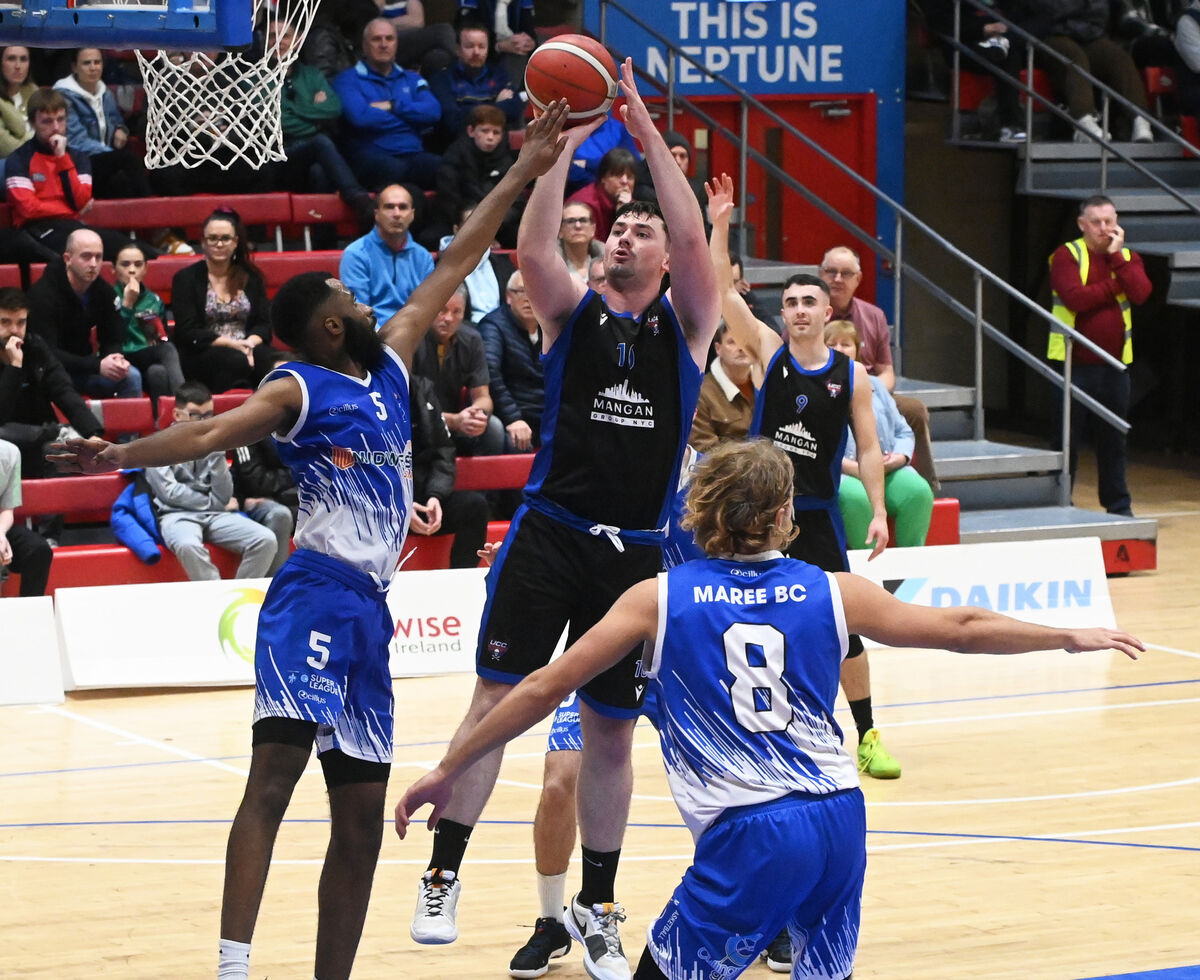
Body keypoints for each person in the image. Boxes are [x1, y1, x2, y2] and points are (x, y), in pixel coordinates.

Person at [46, 101, 570, 980]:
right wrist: (122, 449)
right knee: (274, 781)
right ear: (329, 325)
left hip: (370, 611)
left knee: (362, 819)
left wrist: (523, 168)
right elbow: (215, 434)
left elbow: (459, 258)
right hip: (313, 593)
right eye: (347, 297)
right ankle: (233, 968)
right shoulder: (297, 384)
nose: (364, 301)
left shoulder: (396, 355)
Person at [394, 438, 1143, 980]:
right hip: (840, 820)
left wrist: (447, 767)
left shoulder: (657, 598)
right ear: (786, 513)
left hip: (750, 831)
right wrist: (1067, 635)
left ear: (702, 513)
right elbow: (963, 629)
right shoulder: (832, 589)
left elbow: (538, 688)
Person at [401, 59, 720, 980]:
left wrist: (643, 129)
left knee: (612, 735)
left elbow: (695, 234)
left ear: (665, 258)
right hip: (549, 533)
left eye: (641, 229)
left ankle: (601, 906)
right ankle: (444, 871)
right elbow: (537, 249)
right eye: (617, 227)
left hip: (637, 558)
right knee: (495, 700)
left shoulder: (687, 326)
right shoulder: (570, 315)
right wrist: (563, 142)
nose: (625, 235)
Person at [709, 177, 901, 804]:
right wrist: (720, 224)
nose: (795, 310)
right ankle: (740, 729)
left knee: (843, 629)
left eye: (806, 302)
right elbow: (719, 289)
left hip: (815, 515)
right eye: (788, 301)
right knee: (741, 622)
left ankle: (866, 734)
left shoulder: (853, 377)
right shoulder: (767, 352)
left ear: (828, 313)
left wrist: (876, 509)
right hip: (759, 514)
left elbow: (869, 448)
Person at [1047, 194, 1151, 517]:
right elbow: (1076, 299)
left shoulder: (1127, 257)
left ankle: (1119, 507)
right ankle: (1059, 503)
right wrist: (1116, 285)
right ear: (1082, 225)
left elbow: (1142, 293)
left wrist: (1118, 262)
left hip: (1115, 368)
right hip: (1071, 366)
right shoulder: (1067, 255)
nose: (1104, 229)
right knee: (1065, 442)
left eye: (1110, 222)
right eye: (1096, 222)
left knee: (1114, 442)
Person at [819, 245, 939, 490]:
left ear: (858, 279)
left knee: (915, 410)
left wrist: (869, 392)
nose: (837, 279)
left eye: (846, 273)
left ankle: (923, 484)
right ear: (821, 275)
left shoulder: (874, 315)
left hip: (871, 388)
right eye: (831, 272)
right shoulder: (808, 314)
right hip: (823, 389)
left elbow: (886, 370)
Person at [145, 381, 282, 581]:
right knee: (187, 545)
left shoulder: (213, 443)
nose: (203, 421)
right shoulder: (155, 446)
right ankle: (216, 598)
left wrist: (218, 455)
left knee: (266, 539)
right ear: (176, 415)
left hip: (216, 515)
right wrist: (213, 503)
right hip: (177, 515)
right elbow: (171, 493)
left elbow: (225, 494)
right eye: (195, 415)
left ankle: (235, 596)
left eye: (208, 415)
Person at [827, 320, 934, 550]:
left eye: (845, 344)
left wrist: (901, 457)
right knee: (857, 499)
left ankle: (912, 566)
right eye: (832, 344)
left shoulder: (875, 385)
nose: (839, 349)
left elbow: (903, 430)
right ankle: (869, 568)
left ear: (856, 349)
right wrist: (854, 468)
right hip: (844, 473)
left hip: (887, 468)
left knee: (919, 492)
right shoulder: (817, 388)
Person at [4, 88, 140, 261]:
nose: (55, 128)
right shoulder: (19, 159)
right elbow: (28, 210)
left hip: (73, 227)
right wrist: (70, 211)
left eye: (60, 120)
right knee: (81, 254)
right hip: (38, 231)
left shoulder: (78, 158)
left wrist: (62, 158)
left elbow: (80, 200)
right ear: (32, 124)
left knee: (133, 251)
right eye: (46, 121)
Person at [269, 17, 374, 228]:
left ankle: (323, 241)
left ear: (298, 41)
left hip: (311, 159)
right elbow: (278, 123)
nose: (279, 41)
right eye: (273, 36)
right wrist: (316, 119)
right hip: (277, 159)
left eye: (286, 36)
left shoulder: (312, 74)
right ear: (265, 42)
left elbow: (334, 109)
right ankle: (359, 199)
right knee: (321, 142)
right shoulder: (257, 79)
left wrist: (292, 109)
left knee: (320, 172)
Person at [1012, 0, 1155, 141]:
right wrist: (1082, 6)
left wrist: (1078, 9)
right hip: (1048, 35)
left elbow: (1100, 11)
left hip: (1087, 33)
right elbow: (1048, 11)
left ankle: (1140, 119)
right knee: (1074, 56)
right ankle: (1083, 120)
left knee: (1118, 57)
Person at [0, 286, 103, 480]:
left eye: (21, 322)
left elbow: (63, 390)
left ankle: (50, 511)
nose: (14, 330)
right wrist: (14, 366)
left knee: (58, 452)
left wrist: (92, 433)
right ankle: (54, 432)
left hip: (38, 438)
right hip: (4, 441)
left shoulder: (35, 347)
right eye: (5, 322)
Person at [27, 229, 142, 400]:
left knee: (131, 376)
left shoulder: (103, 291)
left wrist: (115, 359)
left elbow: (112, 338)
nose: (94, 264)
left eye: (99, 257)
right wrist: (97, 365)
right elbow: (47, 352)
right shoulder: (42, 295)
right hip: (49, 372)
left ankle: (130, 427)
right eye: (86, 257)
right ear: (67, 259)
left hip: (85, 369)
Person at [332, 18, 443, 192]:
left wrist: (393, 106)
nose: (384, 44)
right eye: (376, 39)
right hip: (371, 157)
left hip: (413, 154)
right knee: (396, 172)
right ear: (365, 45)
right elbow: (360, 117)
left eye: (389, 39)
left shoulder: (412, 78)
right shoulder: (347, 80)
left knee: (446, 169)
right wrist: (412, 119)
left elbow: (434, 112)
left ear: (396, 44)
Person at [171, 209, 272, 393]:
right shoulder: (185, 278)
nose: (219, 244)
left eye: (225, 238)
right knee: (234, 361)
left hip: (247, 345)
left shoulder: (251, 277)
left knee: (276, 361)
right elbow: (188, 330)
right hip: (204, 351)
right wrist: (233, 345)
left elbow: (264, 325)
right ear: (203, 242)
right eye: (212, 238)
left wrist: (248, 344)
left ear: (235, 243)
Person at [411, 283, 504, 455]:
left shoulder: (472, 339)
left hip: (456, 421)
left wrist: (476, 414)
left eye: (456, 312)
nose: (448, 318)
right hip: (418, 422)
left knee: (493, 428)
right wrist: (454, 420)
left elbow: (483, 396)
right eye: (442, 310)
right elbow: (406, 407)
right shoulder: (412, 340)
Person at [52, 47, 155, 201]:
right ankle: (152, 211)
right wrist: (111, 154)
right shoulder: (63, 96)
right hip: (77, 160)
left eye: (97, 62)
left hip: (103, 163)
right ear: (74, 67)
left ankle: (139, 223)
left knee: (121, 183)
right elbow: (76, 140)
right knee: (129, 160)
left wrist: (121, 129)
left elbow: (117, 121)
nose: (93, 68)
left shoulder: (105, 93)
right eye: (87, 63)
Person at [409, 373, 490, 568]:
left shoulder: (422, 387)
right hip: (384, 505)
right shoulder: (367, 389)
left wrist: (435, 496)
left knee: (474, 507)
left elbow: (443, 450)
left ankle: (462, 584)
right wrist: (400, 506)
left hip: (426, 498)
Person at [339, 183, 436, 325]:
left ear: (412, 214)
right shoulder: (356, 254)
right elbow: (357, 313)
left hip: (416, 334)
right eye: (389, 207)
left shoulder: (423, 257)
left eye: (403, 207)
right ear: (377, 214)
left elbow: (429, 307)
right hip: (374, 337)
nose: (396, 214)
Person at [433, 104, 522, 248]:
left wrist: (491, 227)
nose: (490, 137)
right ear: (471, 131)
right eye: (485, 131)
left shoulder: (508, 161)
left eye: (496, 132)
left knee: (522, 237)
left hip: (498, 225)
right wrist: (470, 225)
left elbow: (516, 202)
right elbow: (448, 198)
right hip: (459, 221)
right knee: (432, 237)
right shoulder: (454, 157)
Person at [477, 270, 545, 452]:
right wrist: (514, 418)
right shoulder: (493, 326)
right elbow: (490, 371)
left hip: (547, 416)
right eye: (522, 291)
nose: (529, 297)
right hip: (513, 416)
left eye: (535, 290)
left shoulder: (552, 326)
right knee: (515, 441)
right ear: (508, 297)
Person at [429, 21, 525, 149]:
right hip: (458, 148)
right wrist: (497, 105)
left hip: (496, 147)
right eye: (469, 46)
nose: (476, 52)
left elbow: (514, 109)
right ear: (457, 49)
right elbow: (453, 122)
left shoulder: (498, 74)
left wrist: (468, 111)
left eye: (482, 47)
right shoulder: (442, 78)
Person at [112, 244, 184, 410]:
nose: (132, 270)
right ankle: (185, 406)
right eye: (125, 264)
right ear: (113, 269)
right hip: (119, 355)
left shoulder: (154, 300)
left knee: (157, 372)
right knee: (167, 350)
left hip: (146, 355)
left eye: (138, 265)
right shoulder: (107, 296)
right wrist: (127, 305)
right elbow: (112, 337)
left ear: (145, 269)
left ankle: (161, 425)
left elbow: (161, 336)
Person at [688, 321, 760, 452]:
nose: (741, 348)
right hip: (728, 470)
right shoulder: (701, 393)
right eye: (732, 342)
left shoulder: (766, 383)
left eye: (745, 341)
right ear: (718, 349)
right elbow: (706, 451)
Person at [0, 438, 53, 596]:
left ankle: (30, 615)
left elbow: (7, 509)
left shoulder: (10, 452)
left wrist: (1, 534)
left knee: (38, 550)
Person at [565, 146, 637, 241]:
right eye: (617, 175)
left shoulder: (629, 203)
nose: (625, 181)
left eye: (630, 177)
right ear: (603, 178)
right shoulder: (585, 204)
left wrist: (625, 212)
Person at [377, 0, 457, 79]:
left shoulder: (409, 2)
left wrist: (386, 23)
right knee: (443, 31)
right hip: (386, 44)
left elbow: (417, 21)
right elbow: (372, 25)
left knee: (437, 56)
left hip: (411, 48)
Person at [557, 201, 604, 285]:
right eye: (571, 221)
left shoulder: (606, 259)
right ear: (560, 230)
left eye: (583, 220)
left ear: (593, 229)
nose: (578, 226)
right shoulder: (550, 265)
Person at [0, 46, 34, 162]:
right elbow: (6, 148)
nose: (18, 66)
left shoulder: (34, 92)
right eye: (11, 59)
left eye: (23, 59)